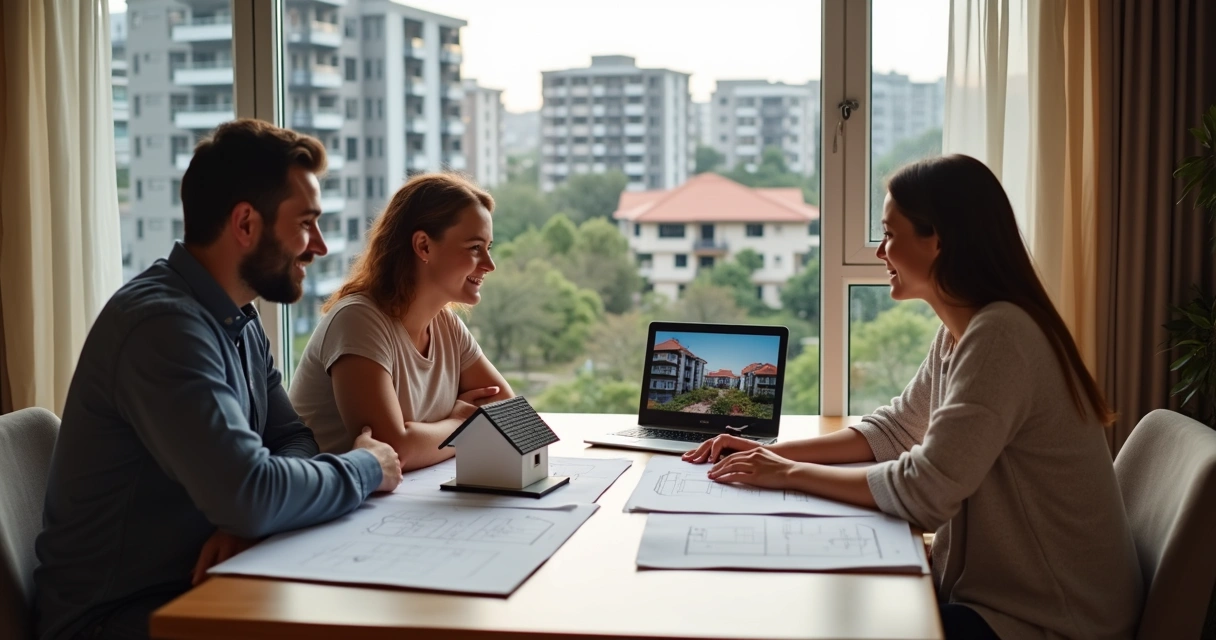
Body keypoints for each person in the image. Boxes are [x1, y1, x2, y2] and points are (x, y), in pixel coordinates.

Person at [684, 155, 1143, 639]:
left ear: (938, 240)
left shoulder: (1001, 337)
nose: (881, 252)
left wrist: (789, 474)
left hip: (1053, 623)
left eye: (889, 234)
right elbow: (895, 430)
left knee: (823, 620)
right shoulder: (962, 332)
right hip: (1011, 602)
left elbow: (924, 492)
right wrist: (768, 454)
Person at [33, 119, 403, 640]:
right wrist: (366, 467)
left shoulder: (237, 318)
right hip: (118, 618)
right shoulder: (162, 328)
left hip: (206, 584)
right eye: (305, 223)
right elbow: (251, 491)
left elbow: (290, 440)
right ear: (246, 224)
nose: (317, 245)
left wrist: (250, 514)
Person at [289, 173, 513, 472]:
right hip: (329, 513)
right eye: (474, 247)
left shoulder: (447, 326)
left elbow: (509, 417)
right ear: (424, 246)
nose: (489, 264)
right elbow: (391, 451)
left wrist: (427, 437)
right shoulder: (357, 320)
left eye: (489, 247)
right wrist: (462, 422)